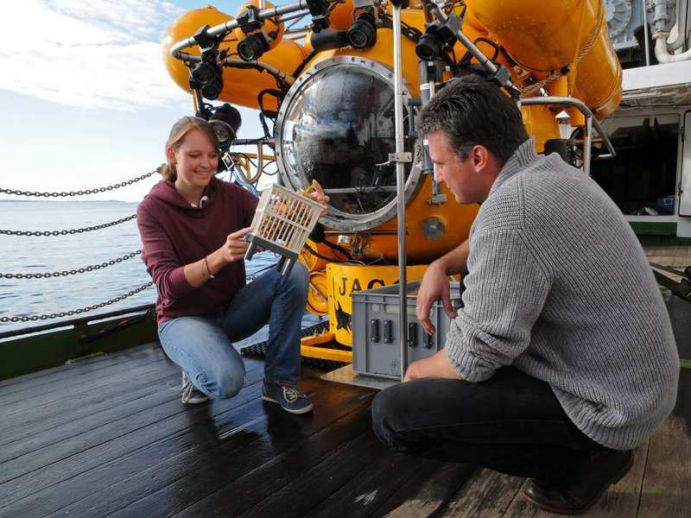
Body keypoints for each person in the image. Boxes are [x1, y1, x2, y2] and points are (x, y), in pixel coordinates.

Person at [371, 75, 680, 514]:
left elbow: (475, 355)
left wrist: (419, 372)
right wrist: (442, 264)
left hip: (612, 406)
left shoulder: (511, 212)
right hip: (638, 385)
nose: (436, 176)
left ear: (477, 157)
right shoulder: (548, 175)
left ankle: (581, 463)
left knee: (395, 414)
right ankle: (585, 452)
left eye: (439, 163)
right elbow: (490, 237)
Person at [137, 116, 328, 415]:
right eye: (195, 155)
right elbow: (167, 285)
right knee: (227, 381)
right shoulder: (152, 209)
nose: (206, 164)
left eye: (212, 155)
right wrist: (221, 256)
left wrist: (307, 208)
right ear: (172, 154)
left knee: (294, 274)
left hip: (231, 311)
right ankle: (194, 365)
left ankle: (279, 382)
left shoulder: (231, 196)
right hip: (182, 319)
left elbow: (274, 225)